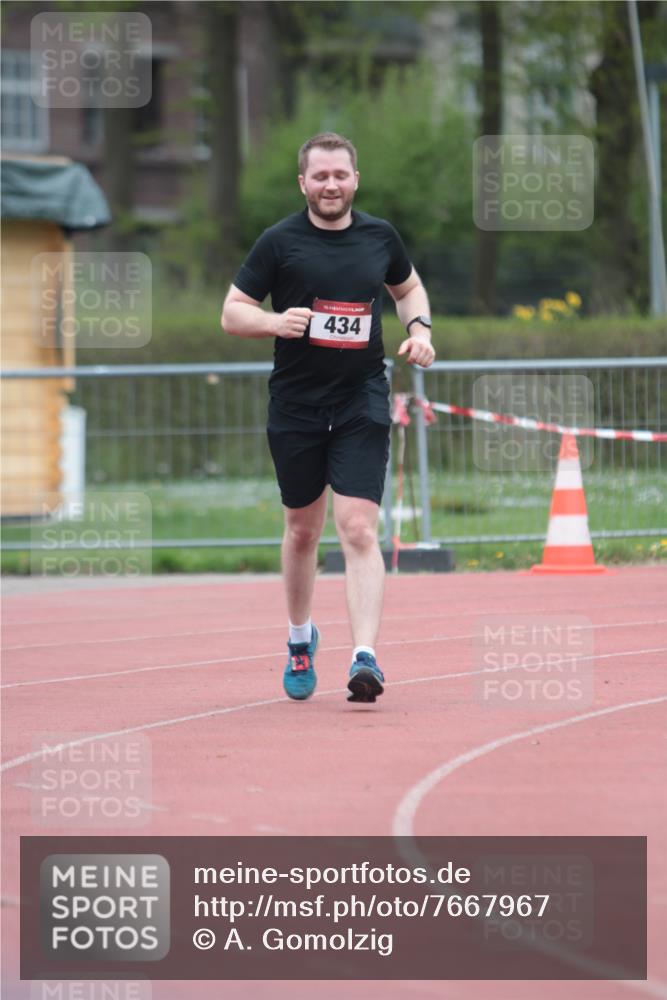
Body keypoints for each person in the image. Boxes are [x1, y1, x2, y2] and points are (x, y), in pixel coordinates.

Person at [221, 132, 435, 704]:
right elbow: (232, 313)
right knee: (302, 529)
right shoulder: (279, 242)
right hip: (296, 404)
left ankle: (365, 656)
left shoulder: (380, 237)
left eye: (340, 175)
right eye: (320, 176)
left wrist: (420, 331)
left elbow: (408, 289)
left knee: (359, 527)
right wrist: (274, 323)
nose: (331, 185)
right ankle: (300, 638)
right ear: (304, 184)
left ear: (355, 179)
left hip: (362, 396)